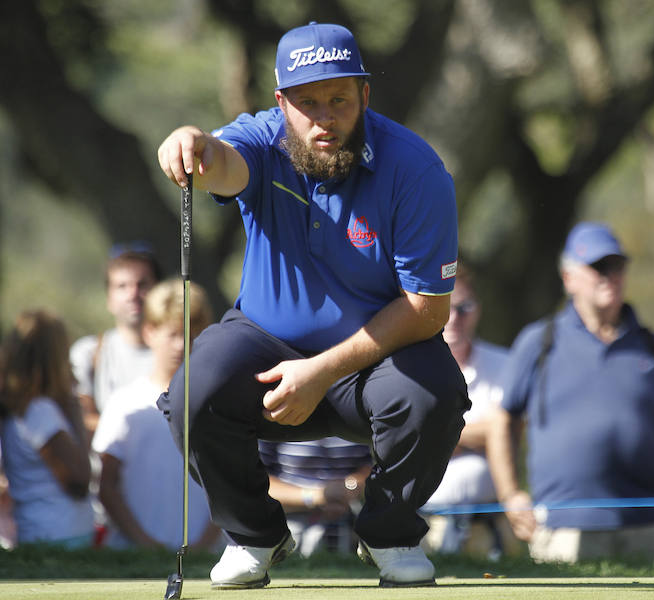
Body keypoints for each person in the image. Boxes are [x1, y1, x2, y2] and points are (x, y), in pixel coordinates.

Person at [156, 22, 469, 589]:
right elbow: (221, 163)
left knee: (434, 394)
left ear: (365, 96)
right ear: (281, 103)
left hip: (375, 355)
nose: (324, 118)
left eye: (339, 99)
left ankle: (388, 532)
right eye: (307, 102)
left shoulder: (416, 170)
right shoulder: (260, 139)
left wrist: (320, 373)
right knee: (190, 395)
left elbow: (428, 310)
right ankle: (255, 535)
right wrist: (190, 140)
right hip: (264, 342)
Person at [486, 222, 654, 563]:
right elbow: (502, 421)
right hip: (563, 528)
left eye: (617, 266)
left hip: (652, 526)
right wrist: (510, 494)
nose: (609, 275)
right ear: (569, 279)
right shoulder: (539, 341)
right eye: (598, 267)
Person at [91, 279, 222, 551]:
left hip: (208, 555)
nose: (180, 344)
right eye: (172, 334)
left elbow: (234, 481)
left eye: (190, 334)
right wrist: (145, 544)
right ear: (149, 332)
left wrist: (203, 545)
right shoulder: (124, 403)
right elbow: (107, 487)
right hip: (132, 556)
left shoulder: (220, 402)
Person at [422, 264, 509, 556]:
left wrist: (439, 437)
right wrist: (482, 434)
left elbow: (510, 432)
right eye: (447, 306)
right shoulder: (409, 367)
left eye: (464, 306)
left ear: (478, 310)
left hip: (489, 524)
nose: (455, 317)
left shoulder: (505, 364)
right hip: (422, 521)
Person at [0, 310, 94, 547]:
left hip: (46, 531)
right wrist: (76, 417)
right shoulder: (39, 411)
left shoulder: (23, 407)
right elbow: (79, 482)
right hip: (59, 535)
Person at [69, 243, 162, 435]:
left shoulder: (182, 353)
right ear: (108, 298)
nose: (133, 294)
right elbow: (79, 418)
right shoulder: (88, 354)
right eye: (122, 286)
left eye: (142, 284)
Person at [259, 438, 371, 556]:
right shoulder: (275, 422)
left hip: (348, 517)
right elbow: (256, 482)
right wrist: (317, 497)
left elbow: (367, 468)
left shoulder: (355, 421)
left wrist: (349, 489)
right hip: (289, 519)